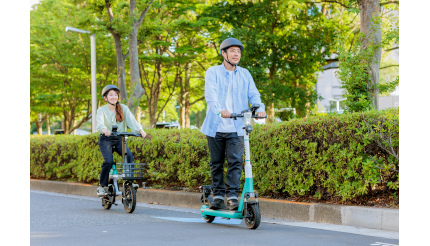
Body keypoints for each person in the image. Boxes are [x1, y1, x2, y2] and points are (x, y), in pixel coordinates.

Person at [200, 38, 266, 210]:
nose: (236, 54)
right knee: (216, 163)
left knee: (236, 162)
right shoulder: (213, 72)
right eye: (233, 51)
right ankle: (218, 195)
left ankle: (232, 197)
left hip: (237, 126)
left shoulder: (245, 74)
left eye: (238, 51)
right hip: (216, 126)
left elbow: (254, 95)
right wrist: (220, 109)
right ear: (224, 53)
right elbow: (211, 95)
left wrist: (259, 109)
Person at [96, 84, 147, 196]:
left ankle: (130, 182)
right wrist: (104, 129)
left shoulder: (123, 108)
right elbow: (99, 123)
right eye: (111, 95)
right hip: (106, 139)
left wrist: (140, 130)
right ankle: (102, 186)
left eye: (115, 95)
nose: (114, 97)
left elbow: (132, 121)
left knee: (128, 156)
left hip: (120, 138)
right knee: (108, 161)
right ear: (106, 98)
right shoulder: (101, 110)